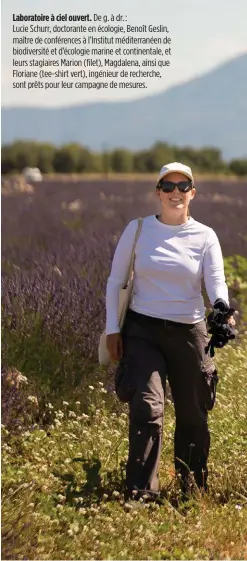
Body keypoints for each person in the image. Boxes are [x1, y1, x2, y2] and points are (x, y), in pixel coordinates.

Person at [105, 162, 236, 502]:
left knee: (193, 412)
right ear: (157, 192)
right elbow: (116, 281)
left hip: (190, 332)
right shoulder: (137, 230)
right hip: (142, 329)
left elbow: (216, 281)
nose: (175, 192)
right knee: (148, 409)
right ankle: (140, 493)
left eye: (183, 186)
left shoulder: (205, 236)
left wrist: (221, 309)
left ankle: (192, 491)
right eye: (168, 186)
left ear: (193, 193)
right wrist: (112, 329)